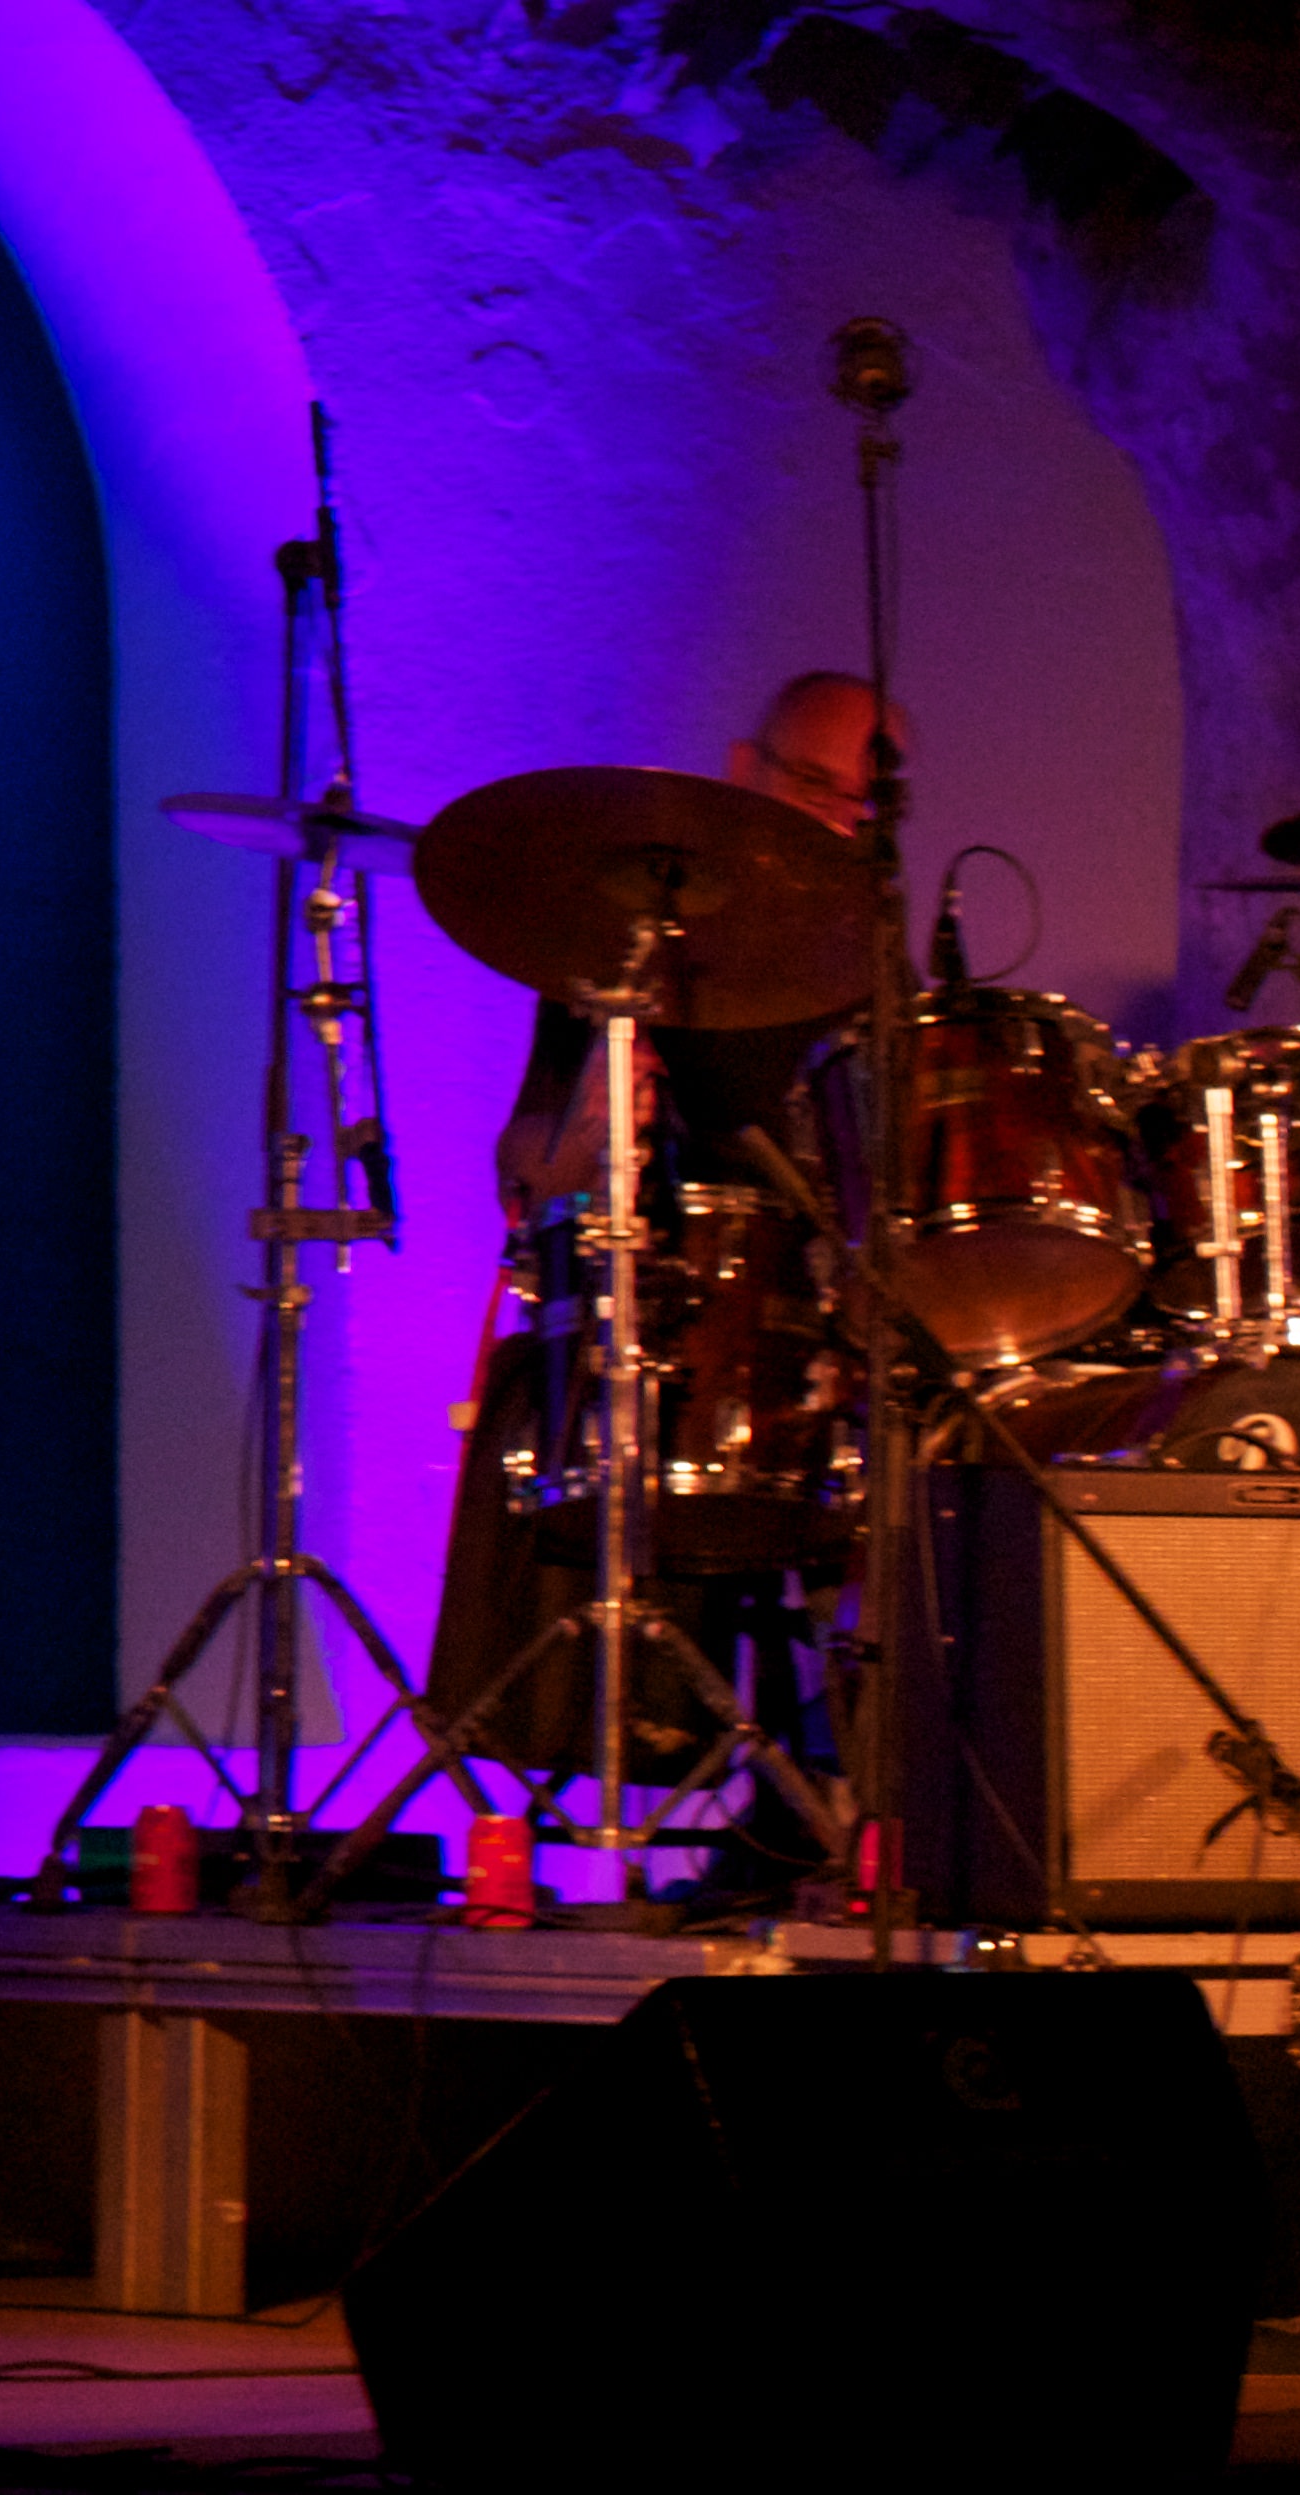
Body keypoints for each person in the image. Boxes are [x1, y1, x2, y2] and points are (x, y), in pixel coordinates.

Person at [428, 673, 891, 1838]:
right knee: (548, 1388)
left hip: (834, 1317)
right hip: (670, 1309)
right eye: (813, 782)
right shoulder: (618, 945)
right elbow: (527, 1170)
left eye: (861, 802)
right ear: (744, 769)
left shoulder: (867, 959)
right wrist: (591, 1122)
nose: (836, 816)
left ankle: (855, 1800)